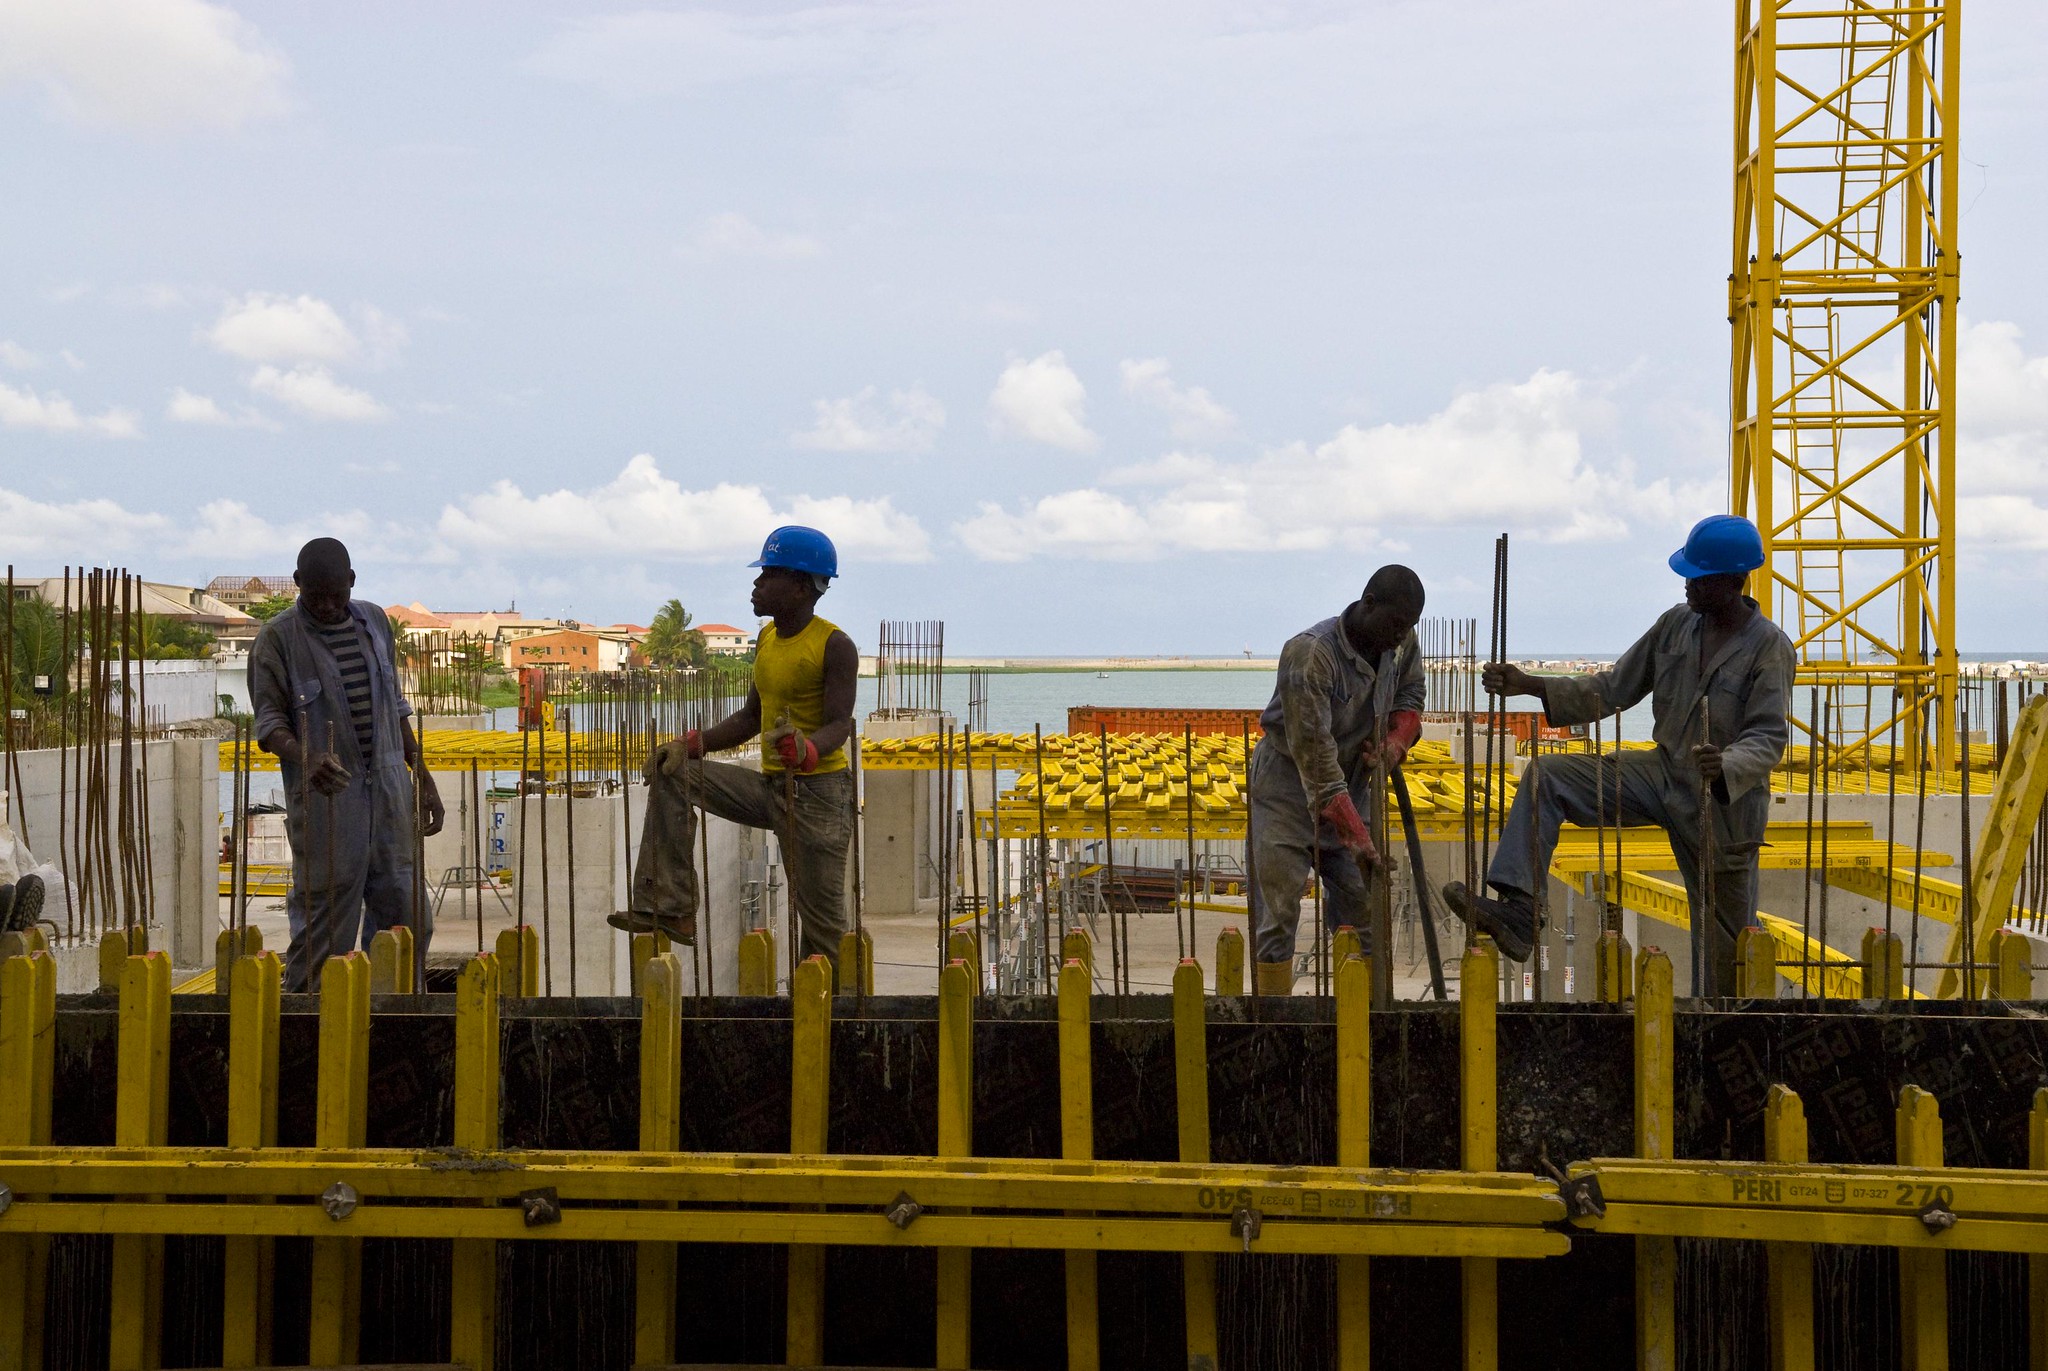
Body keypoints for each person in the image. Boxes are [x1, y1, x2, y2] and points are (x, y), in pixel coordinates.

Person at [1442, 514, 1795, 997]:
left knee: (1726, 937)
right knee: (1549, 777)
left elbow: (1769, 735)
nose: (1686, 583)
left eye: (1698, 576)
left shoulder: (1770, 648)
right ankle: (1521, 911)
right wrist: (1532, 685)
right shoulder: (1675, 625)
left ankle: (1721, 1028)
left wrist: (1727, 763)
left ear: (1733, 581)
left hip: (1723, 803)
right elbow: (1612, 689)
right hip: (1663, 773)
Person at [612, 526, 858, 969]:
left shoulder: (834, 645)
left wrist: (808, 749)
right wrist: (689, 745)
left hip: (818, 797)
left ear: (801, 586)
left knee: (822, 929)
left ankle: (828, 1018)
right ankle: (670, 907)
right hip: (770, 788)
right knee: (675, 774)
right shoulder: (765, 640)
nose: (756, 585)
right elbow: (749, 719)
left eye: (768, 576)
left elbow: (839, 723)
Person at [251, 538, 445, 991]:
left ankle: (392, 1023)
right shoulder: (276, 640)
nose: (326, 606)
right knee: (325, 934)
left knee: (409, 920)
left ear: (352, 583)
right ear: (297, 583)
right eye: (314, 595)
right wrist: (306, 755)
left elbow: (395, 708)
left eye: (335, 595)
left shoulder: (376, 622)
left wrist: (423, 778)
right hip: (329, 804)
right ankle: (311, 1030)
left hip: (391, 798)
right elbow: (269, 723)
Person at [1249, 565, 1426, 995]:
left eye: (1408, 628)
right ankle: (1273, 1026)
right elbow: (1318, 765)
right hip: (1288, 789)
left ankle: (1356, 1023)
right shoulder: (1310, 655)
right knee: (1278, 915)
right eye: (1395, 625)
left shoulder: (1400, 643)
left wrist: (1396, 743)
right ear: (1367, 604)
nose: (1401, 637)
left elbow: (1411, 697)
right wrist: (1357, 837)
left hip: (1352, 783)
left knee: (1363, 909)